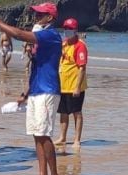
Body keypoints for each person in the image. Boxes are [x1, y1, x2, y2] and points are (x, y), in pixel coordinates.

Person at [0, 3, 62, 175]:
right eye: (36, 14)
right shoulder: (41, 36)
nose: (36, 17)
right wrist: (26, 92)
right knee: (36, 133)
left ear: (50, 18)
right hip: (37, 89)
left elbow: (18, 34)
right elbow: (35, 68)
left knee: (43, 134)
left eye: (40, 14)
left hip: (48, 90)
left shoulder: (51, 35)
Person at [54, 17, 87, 149]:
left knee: (76, 112)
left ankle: (77, 139)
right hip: (62, 85)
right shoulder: (64, 44)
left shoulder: (80, 45)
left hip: (75, 85)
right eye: (65, 28)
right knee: (63, 112)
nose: (67, 31)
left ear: (75, 30)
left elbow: (82, 67)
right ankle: (62, 137)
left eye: (70, 29)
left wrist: (77, 87)